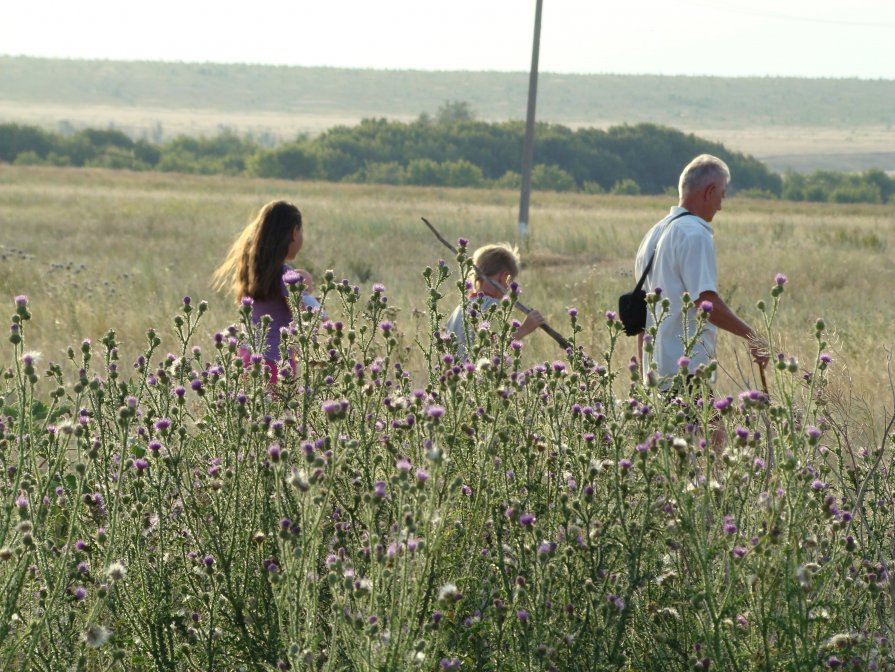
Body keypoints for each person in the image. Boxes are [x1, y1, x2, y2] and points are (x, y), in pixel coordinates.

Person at [634, 154, 768, 388]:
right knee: (710, 426)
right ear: (709, 191)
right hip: (686, 372)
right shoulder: (694, 233)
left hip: (656, 374)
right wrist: (752, 336)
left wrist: (644, 377)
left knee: (707, 426)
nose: (720, 206)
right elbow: (705, 302)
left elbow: (641, 313)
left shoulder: (653, 234)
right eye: (721, 196)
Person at [212, 200, 315, 383]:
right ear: (294, 232)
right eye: (302, 231)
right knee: (274, 411)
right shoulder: (286, 276)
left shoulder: (253, 271)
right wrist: (309, 295)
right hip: (276, 364)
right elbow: (306, 321)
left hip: (247, 357)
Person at [444, 243, 544, 361]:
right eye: (511, 281)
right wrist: (524, 330)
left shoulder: (461, 307)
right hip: (476, 377)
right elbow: (495, 349)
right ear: (504, 277)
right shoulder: (493, 306)